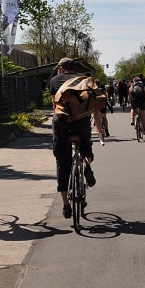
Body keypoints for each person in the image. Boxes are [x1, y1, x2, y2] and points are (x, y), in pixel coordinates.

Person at [50, 58, 97, 219]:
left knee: (62, 162)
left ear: (61, 68)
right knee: (86, 149)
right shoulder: (84, 79)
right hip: (81, 122)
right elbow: (94, 104)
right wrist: (100, 128)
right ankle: (87, 166)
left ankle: (65, 205)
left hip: (62, 124)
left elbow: (54, 106)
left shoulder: (55, 80)